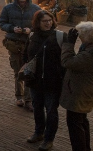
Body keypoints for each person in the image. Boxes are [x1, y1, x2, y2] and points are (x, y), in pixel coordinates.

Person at [25, 10, 66, 151]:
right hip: (35, 81)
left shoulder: (60, 36)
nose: (48, 23)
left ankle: (49, 139)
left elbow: (66, 60)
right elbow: (27, 55)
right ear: (38, 23)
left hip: (53, 82)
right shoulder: (32, 36)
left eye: (49, 20)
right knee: (37, 108)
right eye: (44, 21)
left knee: (51, 111)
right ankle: (38, 132)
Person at [60, 22, 93, 151]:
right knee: (82, 121)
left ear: (86, 37)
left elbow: (67, 62)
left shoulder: (90, 55)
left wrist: (69, 44)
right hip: (88, 91)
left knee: (75, 124)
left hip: (80, 93)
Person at [0, 0, 41, 111]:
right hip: (14, 43)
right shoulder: (8, 8)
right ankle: (19, 96)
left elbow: (41, 24)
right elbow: (2, 23)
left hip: (30, 44)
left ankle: (28, 99)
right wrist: (12, 28)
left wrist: (31, 30)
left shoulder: (35, 9)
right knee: (18, 71)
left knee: (28, 71)